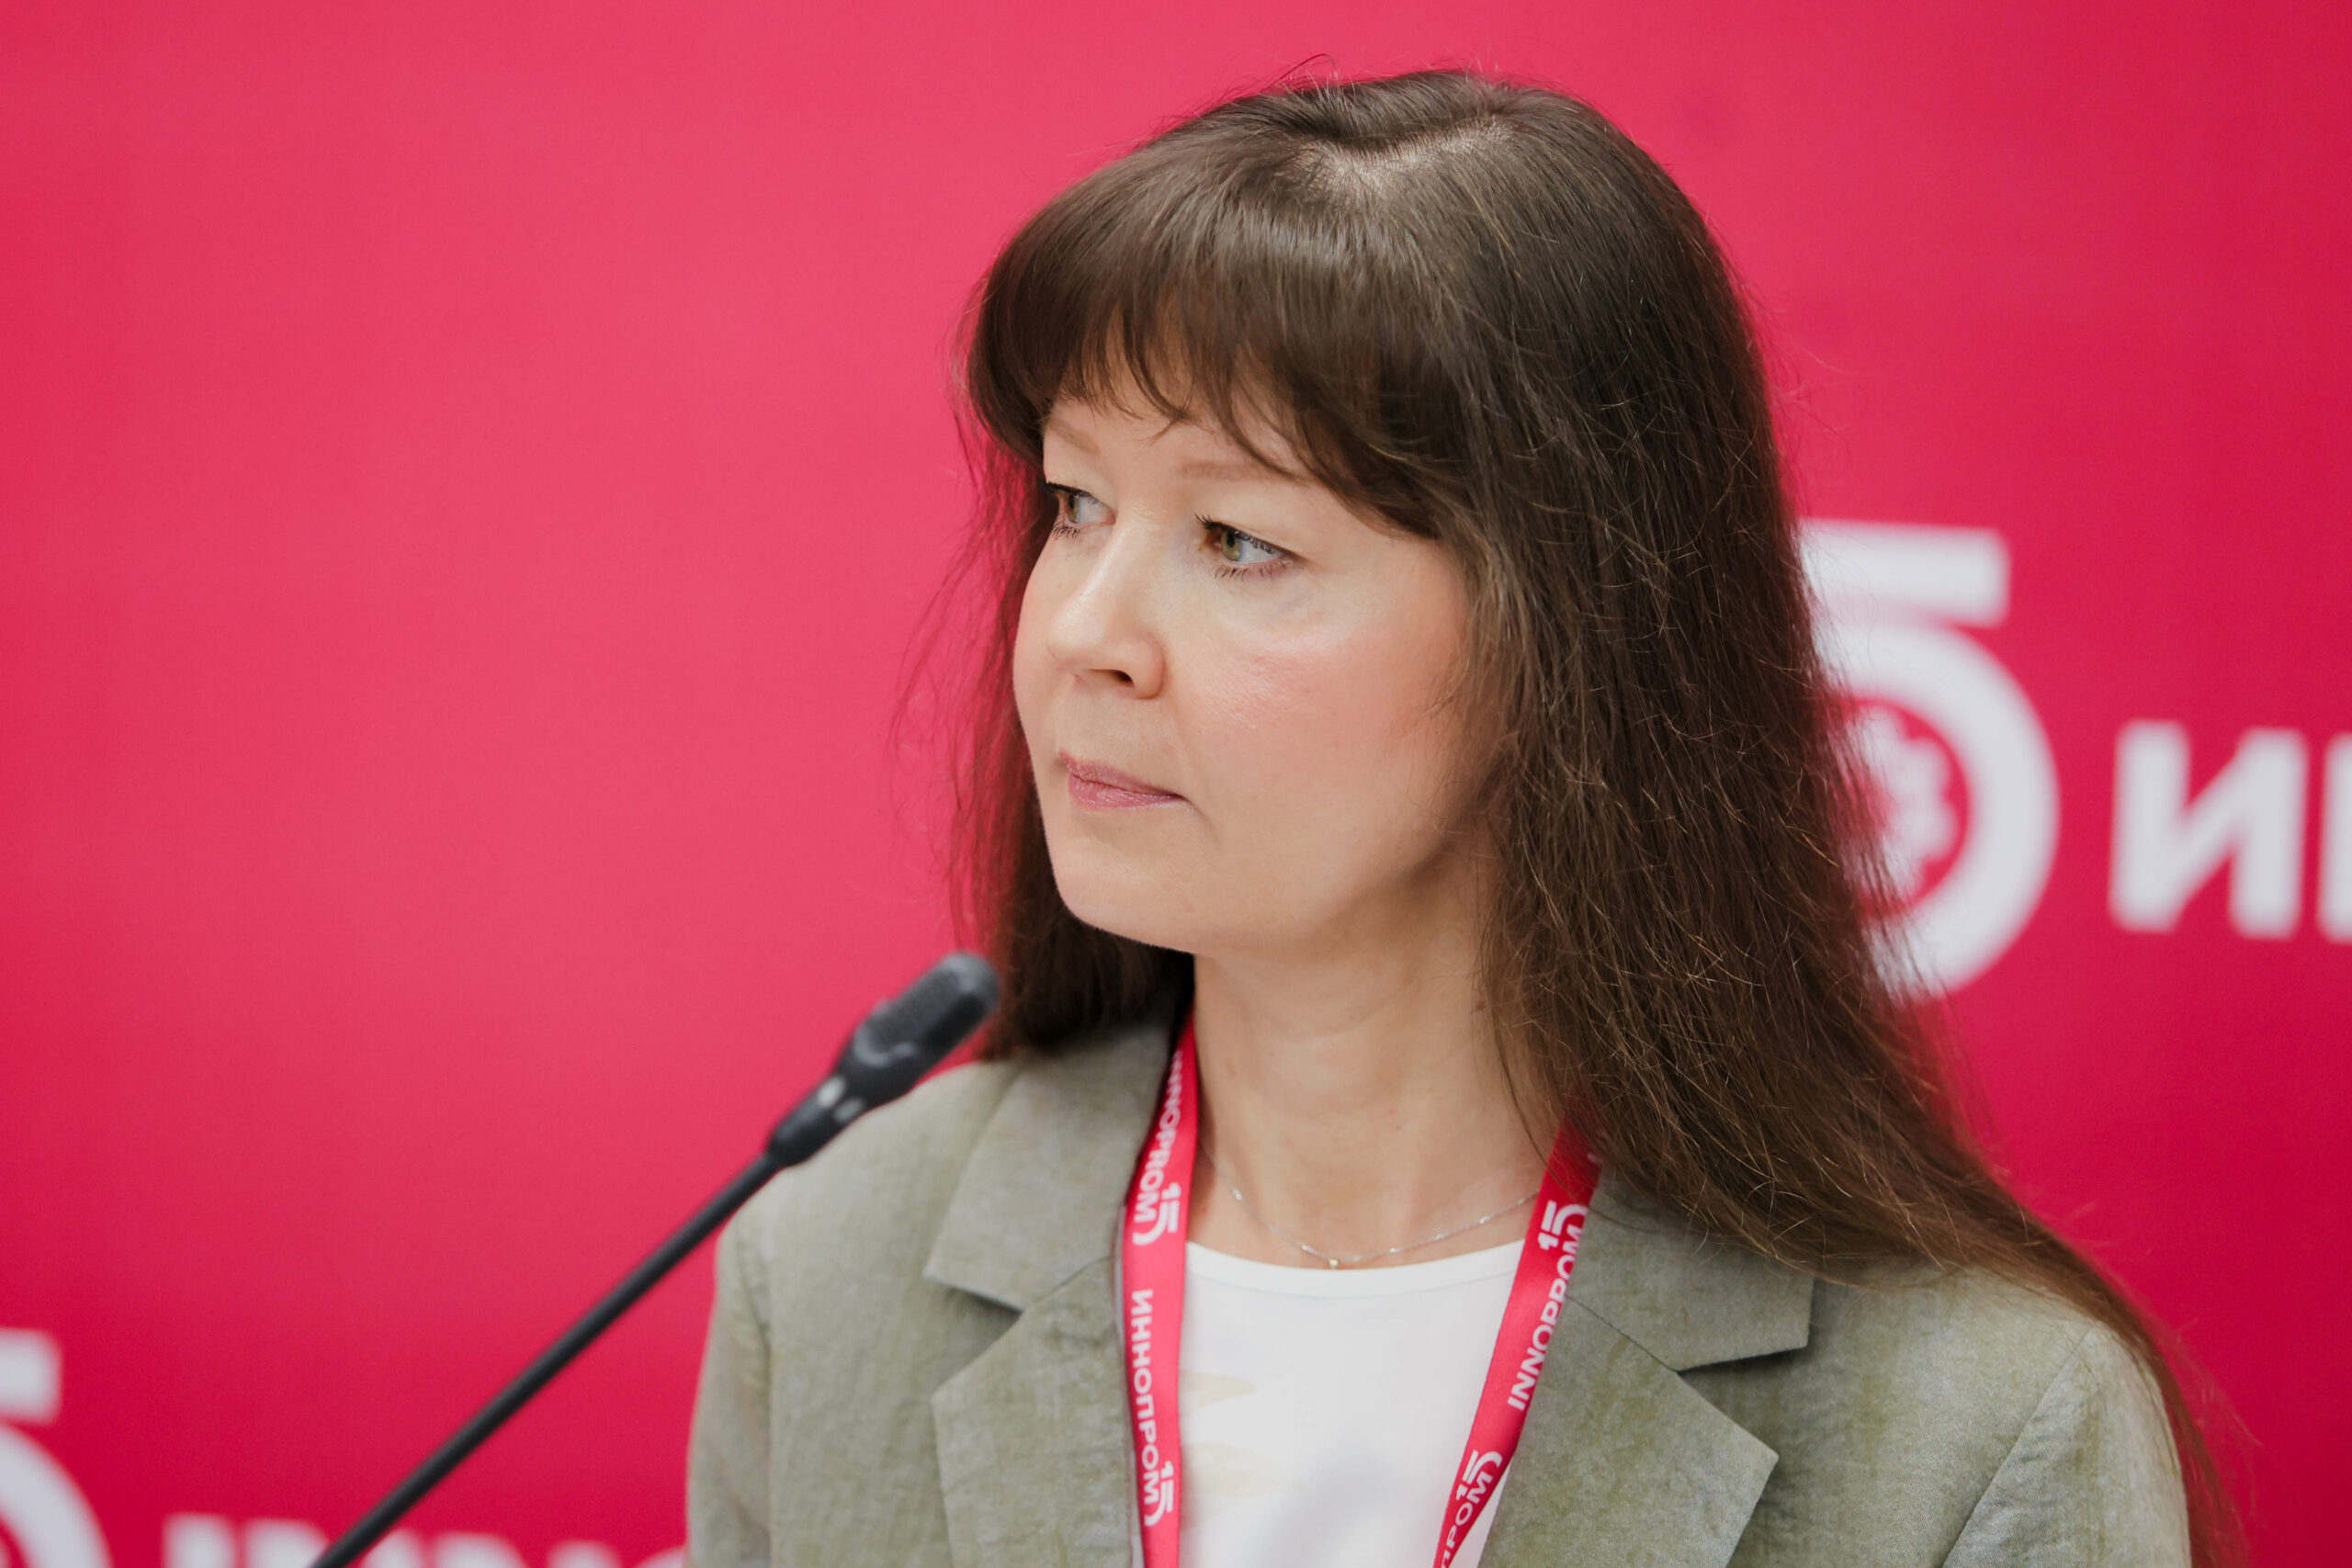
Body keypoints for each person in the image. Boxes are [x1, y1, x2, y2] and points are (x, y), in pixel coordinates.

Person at [685, 69, 2233, 1568]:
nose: (1084, 631)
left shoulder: (1976, 1423)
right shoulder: (827, 1272)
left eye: (1237, 539)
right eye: (1076, 503)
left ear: (1564, 634)